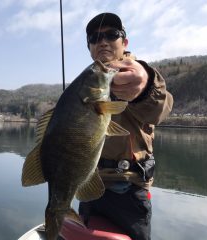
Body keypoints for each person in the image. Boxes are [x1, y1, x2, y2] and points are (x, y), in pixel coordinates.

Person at [78, 13, 174, 240]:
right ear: (90, 47)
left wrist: (145, 86)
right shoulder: (87, 82)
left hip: (128, 190)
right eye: (95, 37)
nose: (102, 41)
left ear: (125, 42)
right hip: (89, 186)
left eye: (112, 35)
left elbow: (161, 107)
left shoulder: (139, 74)